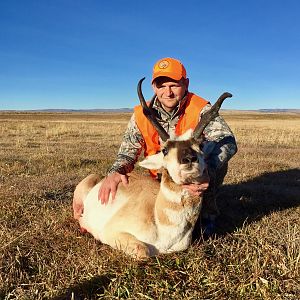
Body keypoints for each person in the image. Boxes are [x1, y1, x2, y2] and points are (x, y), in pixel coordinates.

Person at [98, 57, 237, 235]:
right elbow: (127, 153)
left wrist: (206, 171)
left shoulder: (201, 109)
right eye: (161, 86)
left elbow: (227, 141)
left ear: (185, 83)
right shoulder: (143, 114)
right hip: (162, 179)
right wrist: (115, 172)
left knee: (218, 157)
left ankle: (207, 215)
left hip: (196, 174)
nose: (168, 92)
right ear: (154, 87)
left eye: (174, 85)